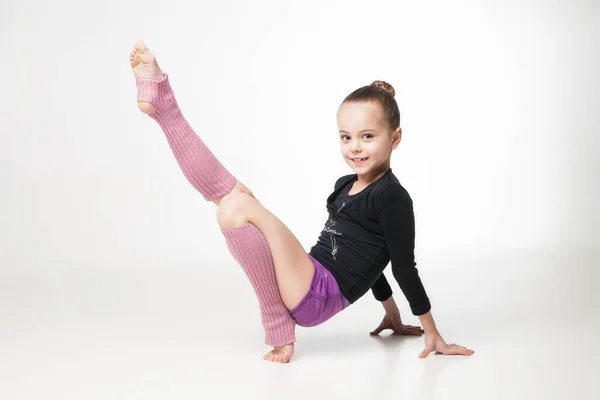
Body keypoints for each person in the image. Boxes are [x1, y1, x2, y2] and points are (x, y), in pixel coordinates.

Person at [129, 40, 475, 363]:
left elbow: (402, 266)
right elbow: (371, 259)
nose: (355, 147)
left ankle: (278, 324)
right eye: (346, 137)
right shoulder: (344, 186)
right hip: (307, 276)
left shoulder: (393, 198)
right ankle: (163, 108)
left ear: (395, 138)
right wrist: (392, 315)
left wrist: (433, 334)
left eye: (367, 137)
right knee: (237, 202)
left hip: (316, 296)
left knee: (236, 205)